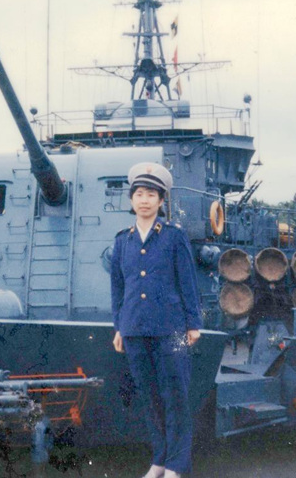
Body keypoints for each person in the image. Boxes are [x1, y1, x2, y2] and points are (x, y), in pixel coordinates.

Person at [110, 162, 202, 478]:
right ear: (131, 199)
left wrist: (193, 323)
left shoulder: (174, 236)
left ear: (161, 201)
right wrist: (119, 327)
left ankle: (176, 465)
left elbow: (187, 281)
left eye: (151, 194)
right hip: (134, 329)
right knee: (150, 399)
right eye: (139, 194)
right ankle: (159, 461)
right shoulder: (122, 240)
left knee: (175, 397)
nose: (145, 200)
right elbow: (118, 288)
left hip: (170, 329)